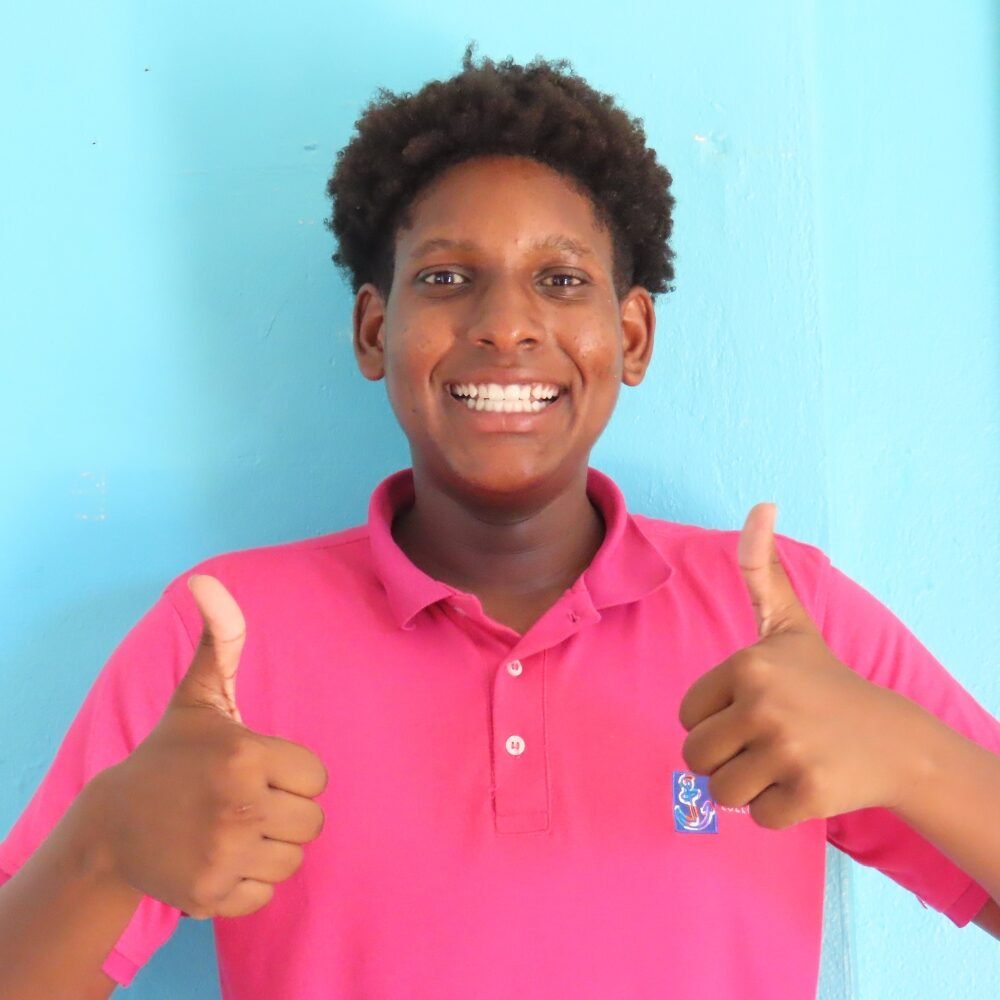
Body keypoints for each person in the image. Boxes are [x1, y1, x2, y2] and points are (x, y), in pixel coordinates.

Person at [0, 50, 997, 1000]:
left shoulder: (786, 615)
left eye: (561, 280)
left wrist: (907, 753)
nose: (505, 324)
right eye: (445, 277)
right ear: (372, 331)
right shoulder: (220, 639)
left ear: (632, 335)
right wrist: (103, 847)